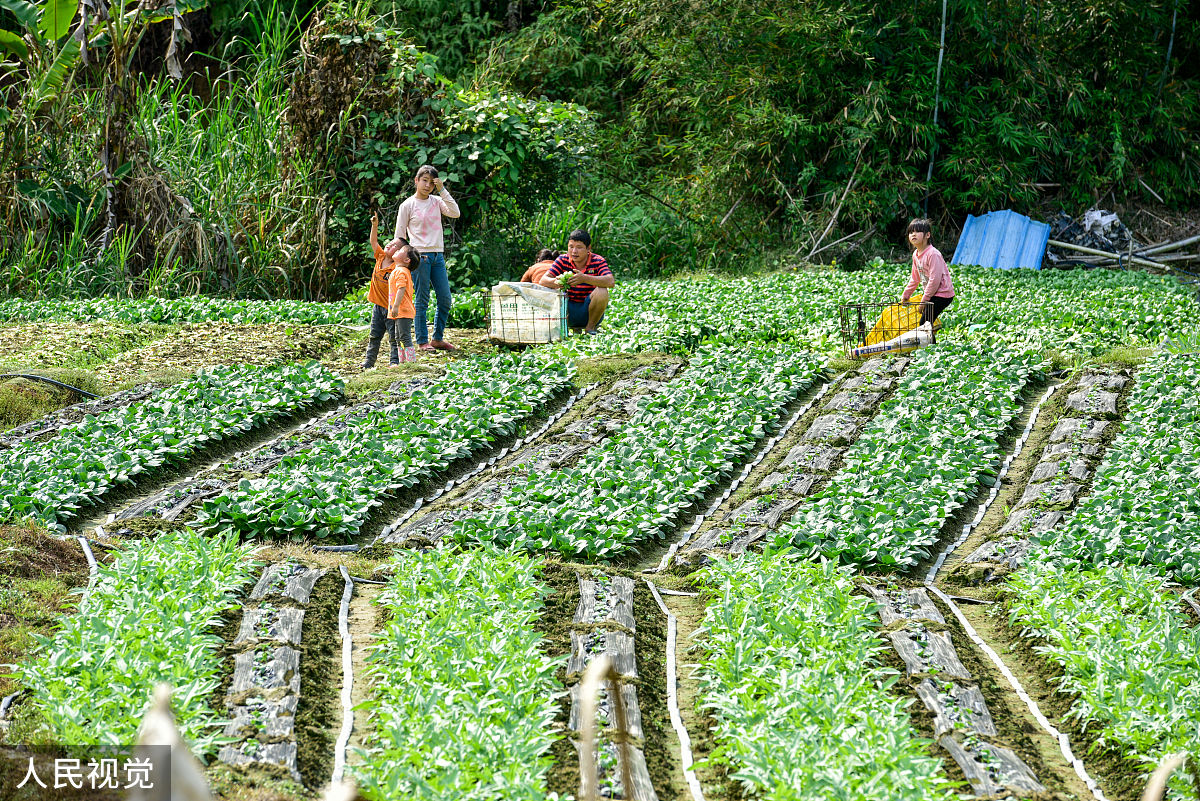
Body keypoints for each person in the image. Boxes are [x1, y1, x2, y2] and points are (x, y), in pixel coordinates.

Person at [394, 165, 461, 351]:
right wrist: (403, 261)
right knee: (422, 299)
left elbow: (455, 212)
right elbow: (400, 237)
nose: (427, 185)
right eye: (424, 180)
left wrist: (442, 189)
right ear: (416, 181)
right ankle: (422, 340)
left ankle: (437, 338)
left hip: (437, 255)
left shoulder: (437, 201)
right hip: (419, 257)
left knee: (445, 297)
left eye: (431, 182)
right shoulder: (407, 205)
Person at [539, 229, 614, 334]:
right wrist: (557, 282)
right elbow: (543, 280)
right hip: (567, 310)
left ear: (588, 248)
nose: (574, 251)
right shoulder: (562, 260)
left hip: (589, 311)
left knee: (602, 291)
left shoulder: (598, 260)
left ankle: (590, 328)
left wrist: (584, 278)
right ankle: (566, 328)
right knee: (551, 291)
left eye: (579, 247)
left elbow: (610, 281)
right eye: (571, 247)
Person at [362, 213, 402, 369]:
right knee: (374, 336)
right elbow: (373, 241)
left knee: (393, 337)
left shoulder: (396, 267)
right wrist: (374, 225)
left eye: (394, 247)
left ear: (399, 253)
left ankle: (394, 362)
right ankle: (369, 362)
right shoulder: (380, 256)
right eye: (390, 243)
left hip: (391, 308)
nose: (389, 246)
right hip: (377, 307)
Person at [900, 217, 955, 325]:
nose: (913, 234)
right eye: (911, 232)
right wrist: (906, 295)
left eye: (917, 231)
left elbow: (935, 280)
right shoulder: (915, 255)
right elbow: (915, 279)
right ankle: (931, 341)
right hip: (932, 294)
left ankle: (930, 342)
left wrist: (924, 301)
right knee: (926, 324)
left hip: (942, 294)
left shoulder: (933, 254)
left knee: (924, 324)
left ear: (927, 235)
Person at [388, 244, 420, 364]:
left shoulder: (401, 271)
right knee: (398, 337)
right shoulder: (399, 270)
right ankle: (403, 362)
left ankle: (411, 363)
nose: (397, 250)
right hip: (399, 311)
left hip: (403, 310)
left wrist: (395, 306)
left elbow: (401, 289)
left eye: (401, 250)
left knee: (404, 337)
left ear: (407, 260)